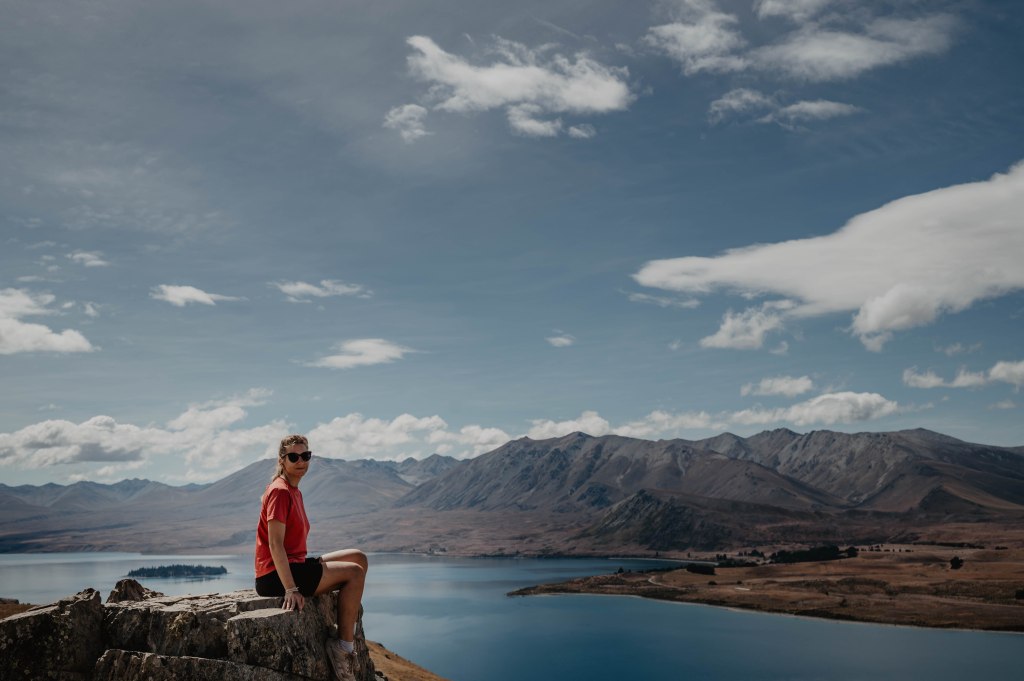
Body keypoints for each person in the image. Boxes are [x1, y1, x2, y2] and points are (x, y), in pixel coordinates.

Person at [254, 434, 368, 681]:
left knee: (358, 558)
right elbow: (275, 544)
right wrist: (290, 589)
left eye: (306, 455)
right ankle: (343, 649)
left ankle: (347, 628)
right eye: (293, 456)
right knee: (354, 573)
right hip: (275, 576)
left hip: (294, 564)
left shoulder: (294, 490)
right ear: (282, 460)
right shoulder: (280, 492)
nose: (301, 461)